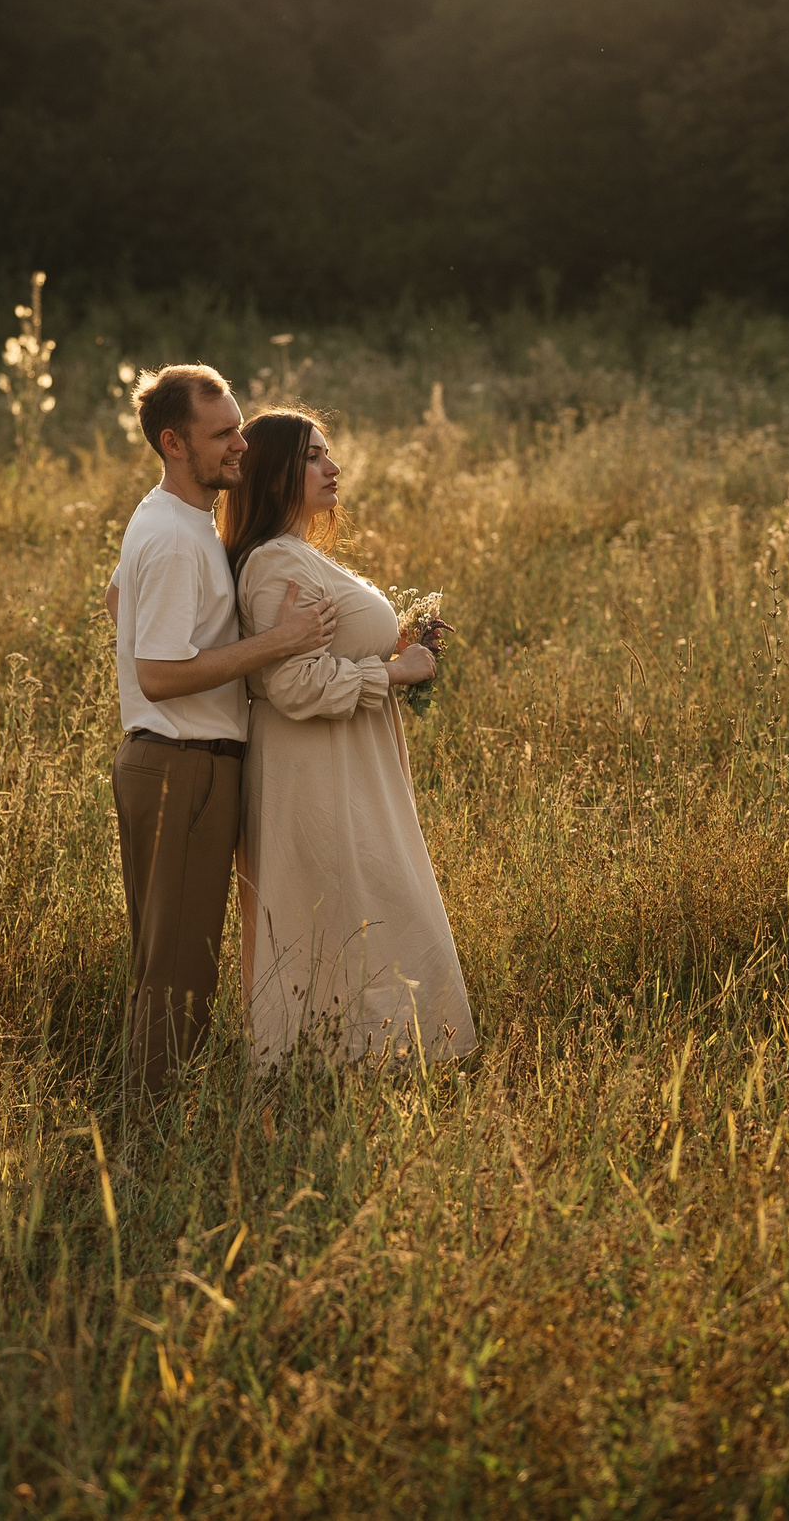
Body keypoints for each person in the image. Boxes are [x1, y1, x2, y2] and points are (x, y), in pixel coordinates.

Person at [104, 365, 336, 1093]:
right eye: (224, 433)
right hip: (183, 763)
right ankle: (148, 1142)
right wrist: (279, 641)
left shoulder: (171, 518)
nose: (242, 444)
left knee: (168, 961)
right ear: (175, 443)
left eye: (237, 426)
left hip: (173, 757)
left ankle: (149, 1127)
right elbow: (161, 673)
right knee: (178, 973)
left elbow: (118, 599)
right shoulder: (177, 537)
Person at [224, 409, 476, 1069]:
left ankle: (370, 1060)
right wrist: (394, 670)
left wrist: (397, 641)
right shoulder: (273, 564)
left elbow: (321, 652)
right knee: (345, 912)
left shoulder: (297, 554)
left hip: (346, 764)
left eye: (329, 453)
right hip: (314, 772)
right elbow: (293, 685)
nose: (332, 468)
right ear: (275, 471)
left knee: (361, 909)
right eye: (313, 456)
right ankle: (336, 1062)